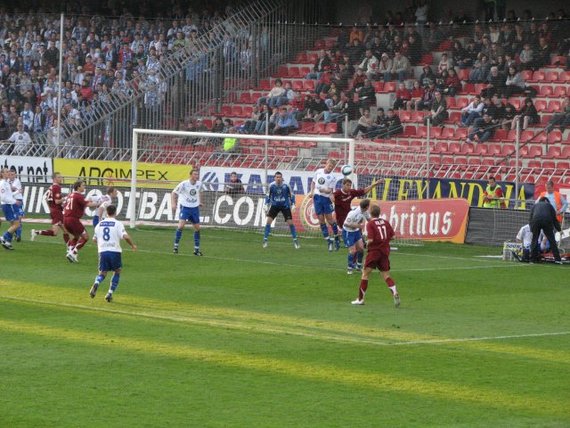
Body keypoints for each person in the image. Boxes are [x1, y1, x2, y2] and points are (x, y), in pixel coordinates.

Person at [351, 204, 400, 307]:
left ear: (370, 213)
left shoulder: (370, 224)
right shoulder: (385, 222)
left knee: (365, 274)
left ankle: (360, 299)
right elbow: (394, 237)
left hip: (374, 252)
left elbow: (371, 240)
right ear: (379, 213)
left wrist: (365, 244)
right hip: (384, 252)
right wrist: (385, 241)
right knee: (386, 276)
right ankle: (394, 292)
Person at [90, 204, 137, 302]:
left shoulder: (99, 224)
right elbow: (126, 237)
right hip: (115, 251)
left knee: (102, 273)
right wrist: (132, 245)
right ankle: (110, 293)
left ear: (106, 213)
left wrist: (102, 243)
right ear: (115, 212)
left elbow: (94, 239)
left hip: (103, 251)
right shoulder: (118, 224)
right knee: (117, 271)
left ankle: (97, 283)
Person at [333, 177, 382, 246]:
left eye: (350, 185)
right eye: (347, 185)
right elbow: (330, 197)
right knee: (350, 227)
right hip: (341, 217)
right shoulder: (337, 193)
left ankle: (361, 241)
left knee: (357, 226)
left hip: (350, 214)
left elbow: (363, 191)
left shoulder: (351, 192)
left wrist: (374, 184)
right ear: (343, 185)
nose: (349, 187)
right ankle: (341, 239)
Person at [309, 158, 341, 251]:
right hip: (317, 198)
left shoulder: (333, 177)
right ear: (326, 164)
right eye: (329, 165)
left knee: (330, 220)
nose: (330, 168)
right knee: (321, 220)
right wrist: (311, 192)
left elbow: (330, 190)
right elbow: (313, 182)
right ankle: (329, 241)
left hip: (326, 199)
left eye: (332, 167)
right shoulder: (318, 172)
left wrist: (323, 190)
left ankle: (336, 237)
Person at [262, 171, 299, 249]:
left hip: (285, 206)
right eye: (277, 177)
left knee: (290, 223)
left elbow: (292, 195)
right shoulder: (271, 186)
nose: (278, 179)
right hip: (275, 206)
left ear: (282, 178)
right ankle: (265, 240)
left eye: (280, 177)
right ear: (274, 178)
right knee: (268, 222)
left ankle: (295, 241)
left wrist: (293, 205)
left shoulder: (286, 186)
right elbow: (268, 195)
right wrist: (266, 204)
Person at [63, 180, 98, 262]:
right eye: (83, 185)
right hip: (73, 219)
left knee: (76, 236)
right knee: (86, 237)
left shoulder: (70, 195)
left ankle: (70, 249)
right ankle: (73, 252)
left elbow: (65, 206)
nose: (84, 187)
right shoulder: (78, 196)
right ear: (78, 187)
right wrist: (99, 203)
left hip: (65, 219)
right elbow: (88, 204)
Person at [31, 172, 70, 244]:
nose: (61, 179)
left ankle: (70, 248)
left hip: (54, 210)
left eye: (61, 177)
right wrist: (66, 198)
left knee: (66, 230)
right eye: (59, 177)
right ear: (54, 179)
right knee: (55, 232)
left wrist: (51, 208)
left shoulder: (51, 187)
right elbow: (57, 201)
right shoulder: (57, 187)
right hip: (57, 211)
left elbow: (46, 198)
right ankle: (36, 232)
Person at [171, 169, 203, 255]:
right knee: (181, 226)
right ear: (191, 175)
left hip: (194, 208)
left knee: (197, 229)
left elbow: (200, 191)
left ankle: (196, 250)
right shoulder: (184, 184)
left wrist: (200, 201)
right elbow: (174, 193)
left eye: (197, 174)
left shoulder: (199, 184)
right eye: (195, 174)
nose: (197, 176)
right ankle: (175, 247)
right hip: (185, 207)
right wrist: (173, 204)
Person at [529, 197, 562, 264]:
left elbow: (530, 218)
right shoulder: (549, 205)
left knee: (534, 240)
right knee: (552, 240)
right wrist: (559, 230)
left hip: (536, 221)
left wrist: (532, 229)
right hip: (547, 221)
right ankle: (557, 259)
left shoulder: (535, 206)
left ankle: (532, 259)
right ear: (546, 201)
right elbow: (554, 219)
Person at [344, 199, 371, 274]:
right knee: (353, 251)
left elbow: (370, 220)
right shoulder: (353, 213)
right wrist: (358, 225)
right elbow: (345, 224)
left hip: (356, 231)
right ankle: (349, 268)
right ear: (366, 207)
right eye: (368, 206)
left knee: (361, 249)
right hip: (348, 232)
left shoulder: (365, 212)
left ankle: (358, 266)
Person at [0, 167, 21, 250]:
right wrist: (14, 201)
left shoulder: (6, 183)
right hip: (9, 205)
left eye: (9, 171)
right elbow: (3, 197)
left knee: (13, 225)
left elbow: (8, 195)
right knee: (17, 224)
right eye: (6, 172)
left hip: (9, 204)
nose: (8, 173)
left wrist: (17, 192)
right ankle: (3, 237)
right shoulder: (2, 183)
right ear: (2, 174)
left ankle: (8, 242)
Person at [8, 170, 24, 242]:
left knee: (19, 218)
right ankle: (15, 234)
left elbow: (11, 189)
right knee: (13, 221)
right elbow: (11, 189)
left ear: (15, 175)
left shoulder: (17, 181)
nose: (12, 176)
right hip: (11, 201)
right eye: (11, 174)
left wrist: (11, 188)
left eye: (13, 174)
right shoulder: (7, 181)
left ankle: (18, 235)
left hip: (18, 201)